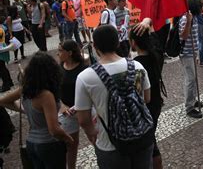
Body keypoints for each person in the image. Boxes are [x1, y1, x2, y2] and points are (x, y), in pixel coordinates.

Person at [74, 25, 153, 168]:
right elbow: (146, 99)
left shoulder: (85, 77)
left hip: (110, 145)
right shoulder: (137, 67)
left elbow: (83, 119)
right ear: (117, 43)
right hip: (142, 139)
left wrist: (93, 133)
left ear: (95, 46)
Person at [0, 52, 74, 168]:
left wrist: (24, 110)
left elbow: (3, 101)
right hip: (49, 144)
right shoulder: (46, 95)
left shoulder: (25, 89)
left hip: (31, 142)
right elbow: (53, 129)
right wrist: (68, 138)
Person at [130, 25, 167, 169]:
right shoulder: (157, 55)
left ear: (133, 42)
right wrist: (148, 22)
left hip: (147, 107)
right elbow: (155, 37)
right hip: (156, 103)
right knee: (151, 139)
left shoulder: (137, 65)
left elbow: (138, 93)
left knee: (150, 142)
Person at [58, 40, 87, 169]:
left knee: (94, 138)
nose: (58, 53)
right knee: (71, 144)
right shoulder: (59, 69)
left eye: (60, 51)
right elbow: (54, 91)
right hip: (67, 112)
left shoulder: (83, 68)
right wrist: (61, 105)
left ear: (69, 53)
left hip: (84, 109)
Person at [179, 0, 203, 118]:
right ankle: (189, 107)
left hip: (192, 52)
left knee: (193, 78)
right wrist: (188, 22)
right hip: (186, 53)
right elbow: (183, 36)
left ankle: (193, 100)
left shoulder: (194, 17)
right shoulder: (186, 19)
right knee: (190, 80)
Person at [0, 20, 12, 93]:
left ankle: (6, 85)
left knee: (1, 68)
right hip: (2, 47)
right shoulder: (1, 27)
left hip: (1, 48)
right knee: (2, 67)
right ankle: (9, 82)